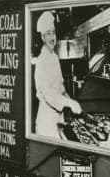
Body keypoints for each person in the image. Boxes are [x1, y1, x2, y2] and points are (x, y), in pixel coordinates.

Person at [32, 11, 82, 139]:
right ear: (43, 38)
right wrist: (69, 103)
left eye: (53, 33)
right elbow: (48, 94)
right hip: (46, 122)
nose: (52, 37)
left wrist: (70, 98)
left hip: (57, 117)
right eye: (48, 34)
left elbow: (60, 87)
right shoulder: (42, 61)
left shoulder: (54, 57)